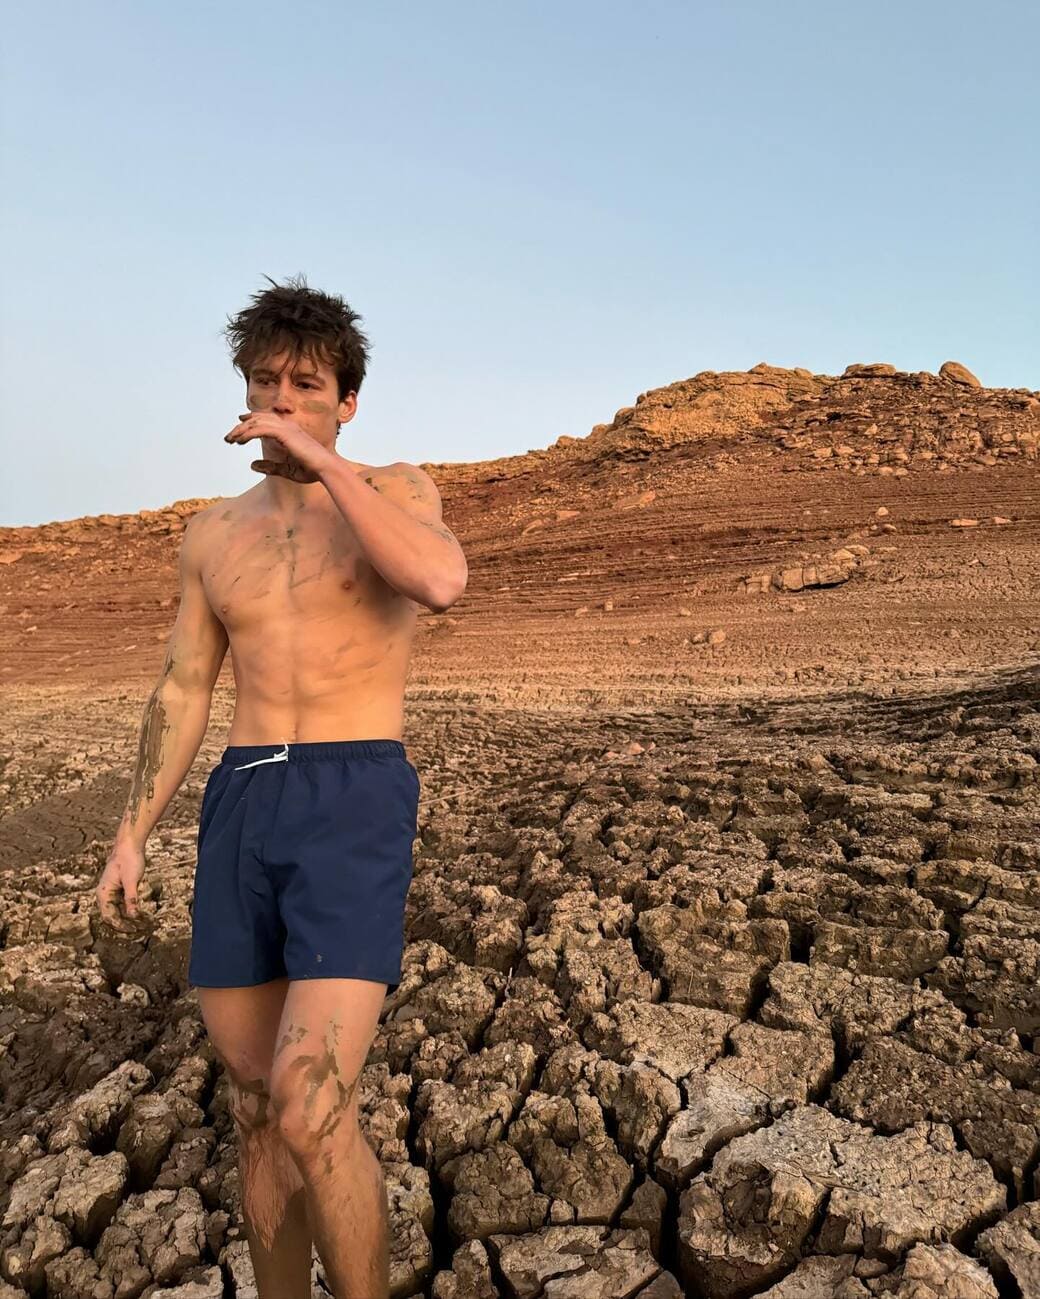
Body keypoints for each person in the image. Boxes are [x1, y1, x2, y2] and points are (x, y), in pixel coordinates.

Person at [94, 274, 467, 1299]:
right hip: (243, 796)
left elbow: (439, 582)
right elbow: (183, 687)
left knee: (312, 1104)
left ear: (348, 401)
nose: (280, 399)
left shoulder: (394, 491)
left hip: (353, 793)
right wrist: (131, 833)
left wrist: (325, 467)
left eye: (305, 385)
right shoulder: (213, 533)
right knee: (258, 1105)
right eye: (265, 380)